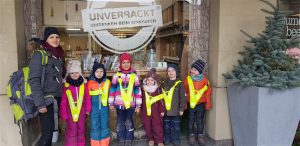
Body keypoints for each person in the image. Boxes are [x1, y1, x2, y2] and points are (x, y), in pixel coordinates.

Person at [28, 27, 64, 146]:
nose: (55, 39)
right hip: (45, 100)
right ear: (46, 39)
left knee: (52, 131)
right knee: (48, 132)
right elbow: (34, 80)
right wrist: (40, 103)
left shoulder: (58, 54)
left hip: (56, 99)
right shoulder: (39, 55)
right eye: (51, 37)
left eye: (57, 37)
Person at [108, 53, 142, 146]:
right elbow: (112, 89)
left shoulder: (134, 76)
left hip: (131, 105)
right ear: (120, 64)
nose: (126, 64)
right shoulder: (116, 76)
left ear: (130, 63)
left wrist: (138, 105)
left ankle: (129, 139)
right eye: (123, 62)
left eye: (128, 62)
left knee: (129, 121)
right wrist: (110, 103)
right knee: (120, 122)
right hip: (119, 104)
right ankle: (121, 138)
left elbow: (137, 91)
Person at [60, 60, 91, 146]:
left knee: (81, 129)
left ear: (80, 73)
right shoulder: (66, 86)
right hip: (70, 113)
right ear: (69, 74)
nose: (74, 75)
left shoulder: (84, 85)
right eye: (72, 73)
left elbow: (88, 97)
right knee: (71, 130)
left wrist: (88, 110)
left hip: (82, 112)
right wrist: (64, 114)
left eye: (76, 73)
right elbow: (63, 101)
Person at [184, 59, 211, 146]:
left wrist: (208, 103)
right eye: (192, 69)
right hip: (191, 104)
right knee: (191, 120)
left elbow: (208, 92)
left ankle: (200, 135)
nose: (192, 71)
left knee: (200, 120)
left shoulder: (205, 80)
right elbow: (185, 91)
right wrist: (184, 103)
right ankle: (191, 135)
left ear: (199, 71)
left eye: (195, 70)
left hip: (200, 104)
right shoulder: (187, 80)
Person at [161, 64, 186, 146]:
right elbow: (161, 96)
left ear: (176, 72)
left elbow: (183, 97)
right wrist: (162, 109)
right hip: (166, 110)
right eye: (169, 71)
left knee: (176, 126)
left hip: (175, 110)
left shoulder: (180, 83)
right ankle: (167, 138)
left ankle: (175, 139)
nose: (170, 72)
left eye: (172, 70)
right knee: (166, 126)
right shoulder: (164, 83)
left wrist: (181, 109)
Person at [88, 62, 111, 146]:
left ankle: (104, 143)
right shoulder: (89, 83)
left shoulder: (108, 82)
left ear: (104, 72)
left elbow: (111, 95)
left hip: (105, 109)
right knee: (94, 126)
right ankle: (95, 144)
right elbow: (87, 98)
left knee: (105, 126)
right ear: (93, 72)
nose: (99, 73)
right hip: (94, 109)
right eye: (97, 71)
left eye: (101, 71)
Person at [141, 68, 165, 146]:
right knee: (147, 125)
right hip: (146, 112)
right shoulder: (143, 90)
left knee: (157, 125)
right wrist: (139, 107)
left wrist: (162, 110)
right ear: (145, 81)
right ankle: (151, 138)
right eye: (148, 80)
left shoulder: (158, 90)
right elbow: (140, 100)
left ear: (155, 81)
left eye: (152, 80)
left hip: (156, 112)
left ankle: (159, 140)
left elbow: (161, 101)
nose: (150, 82)